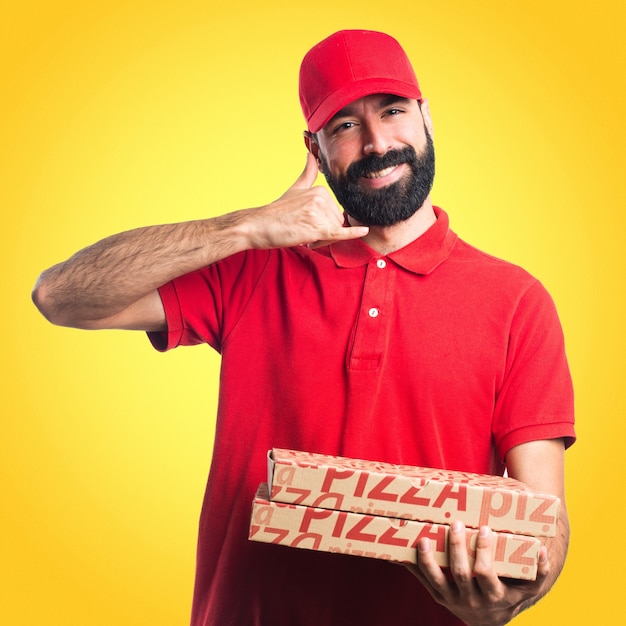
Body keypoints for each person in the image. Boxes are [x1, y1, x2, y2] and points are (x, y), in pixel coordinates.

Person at [32, 29, 575, 626]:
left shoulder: (516, 301)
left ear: (426, 119)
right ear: (314, 149)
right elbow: (60, 296)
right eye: (344, 125)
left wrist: (502, 603)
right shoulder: (253, 268)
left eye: (392, 112)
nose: (375, 143)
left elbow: (544, 521)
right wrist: (245, 228)